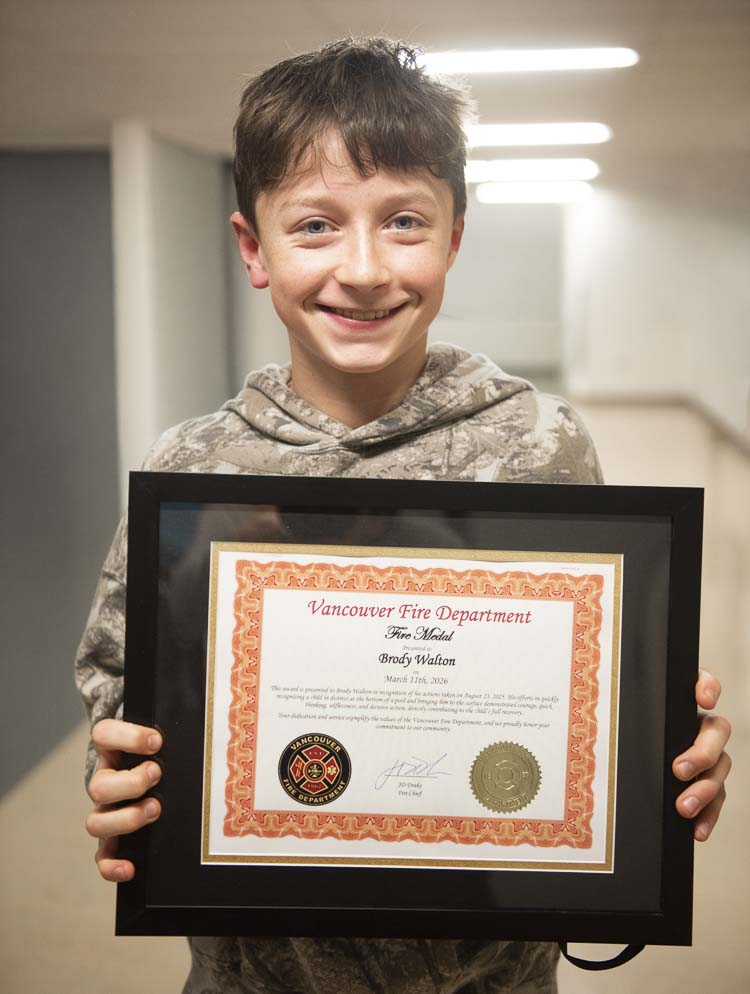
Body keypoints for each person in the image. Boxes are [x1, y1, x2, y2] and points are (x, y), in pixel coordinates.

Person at [76, 37, 732, 994]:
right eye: (314, 226)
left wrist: (664, 759)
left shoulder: (542, 445)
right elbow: (118, 678)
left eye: (405, 222)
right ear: (254, 249)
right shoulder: (195, 468)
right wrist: (125, 777)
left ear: (454, 239)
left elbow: (602, 691)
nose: (365, 268)